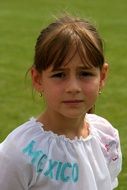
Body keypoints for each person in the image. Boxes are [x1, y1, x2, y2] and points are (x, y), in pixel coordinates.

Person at [0, 15, 122, 190]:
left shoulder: (107, 137)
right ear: (38, 79)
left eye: (85, 73)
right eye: (59, 75)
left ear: (102, 76)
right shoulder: (17, 153)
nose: (73, 87)